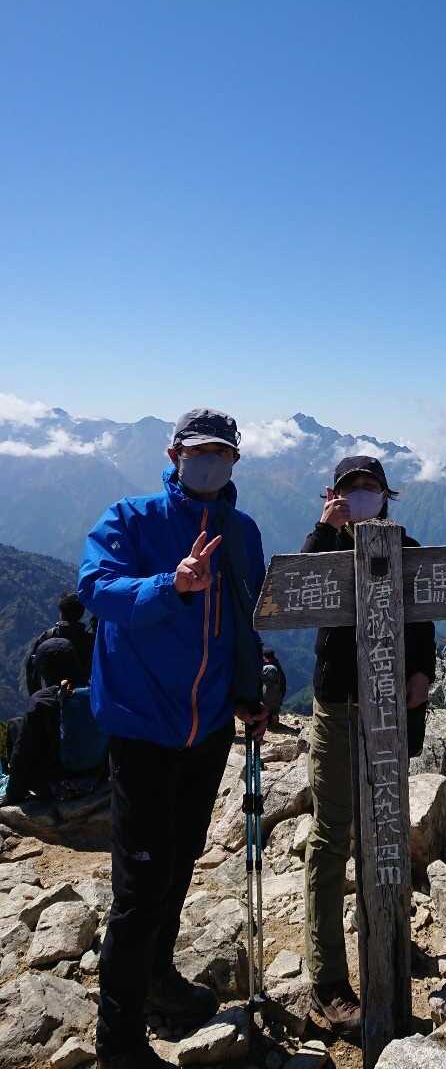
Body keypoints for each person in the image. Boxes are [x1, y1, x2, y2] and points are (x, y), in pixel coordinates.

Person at [78, 408, 268, 1069]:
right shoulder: (130, 519)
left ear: (234, 461)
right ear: (174, 455)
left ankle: (158, 978)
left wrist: (248, 694)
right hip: (142, 726)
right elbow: (96, 588)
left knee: (181, 858)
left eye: (222, 453)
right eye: (199, 451)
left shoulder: (242, 531)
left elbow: (243, 620)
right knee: (140, 885)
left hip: (207, 728)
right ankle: (118, 1042)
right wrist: (172, 584)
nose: (210, 462)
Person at [302, 455, 436, 1037]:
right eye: (351, 488)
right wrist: (324, 531)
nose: (362, 495)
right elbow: (297, 594)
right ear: (333, 495)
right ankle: (328, 977)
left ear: (387, 494)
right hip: (338, 703)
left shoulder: (407, 546)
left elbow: (424, 617)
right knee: (333, 834)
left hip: (389, 705)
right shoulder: (325, 544)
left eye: (371, 487)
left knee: (386, 828)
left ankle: (387, 940)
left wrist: (424, 672)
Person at [2, 638, 107, 804]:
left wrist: (13, 795)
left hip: (56, 785)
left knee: (16, 725)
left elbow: (23, 753)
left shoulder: (42, 701)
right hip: (97, 777)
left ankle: (15, 787)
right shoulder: (94, 691)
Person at [25, 591, 95, 695]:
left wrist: (38, 696)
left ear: (61, 613)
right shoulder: (90, 640)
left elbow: (31, 669)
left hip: (52, 696)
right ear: (81, 613)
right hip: (82, 695)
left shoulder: (47, 637)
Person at [262, 647, 287, 730]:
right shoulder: (277, 666)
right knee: (274, 710)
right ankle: (274, 723)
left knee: (268, 709)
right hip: (278, 694)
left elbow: (260, 677)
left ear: (265, 657)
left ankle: (269, 723)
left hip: (269, 695)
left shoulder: (269, 668)